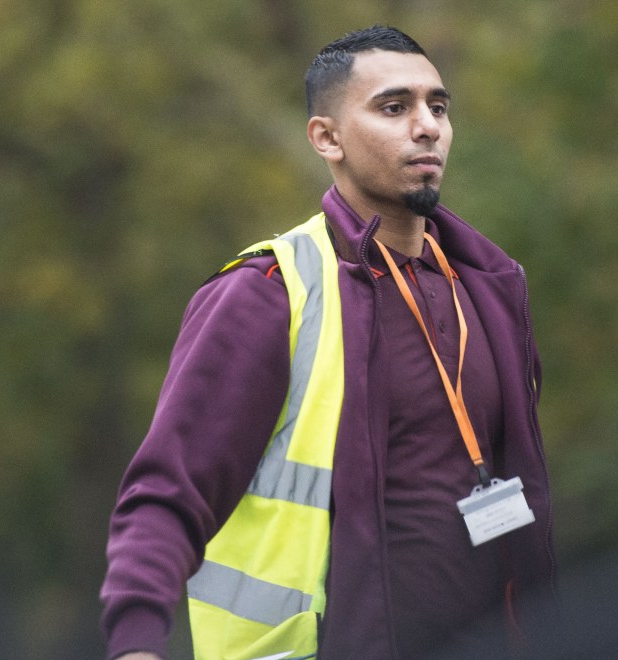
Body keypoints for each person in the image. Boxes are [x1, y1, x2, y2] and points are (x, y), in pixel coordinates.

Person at [100, 25, 556, 660]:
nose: (426, 126)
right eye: (394, 107)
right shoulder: (269, 292)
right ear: (327, 137)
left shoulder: (492, 289)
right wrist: (135, 645)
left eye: (438, 106)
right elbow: (167, 495)